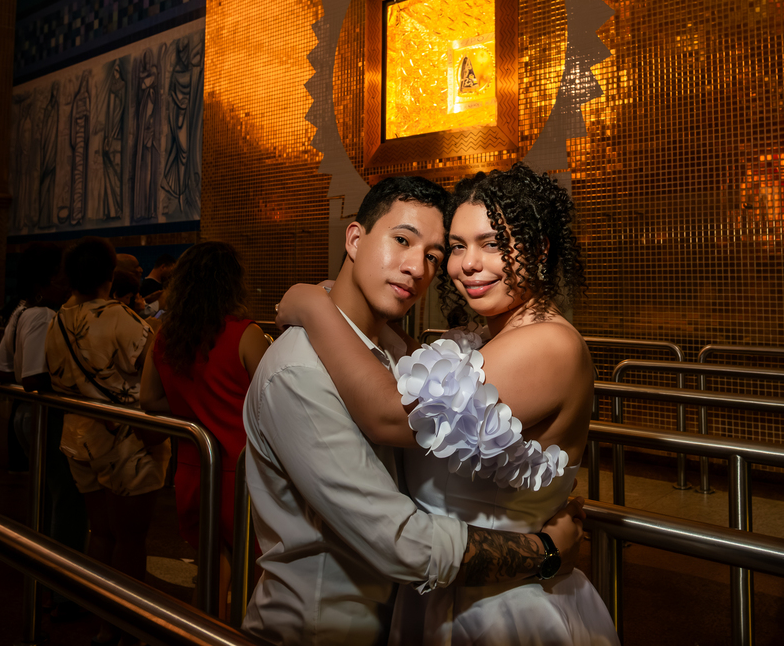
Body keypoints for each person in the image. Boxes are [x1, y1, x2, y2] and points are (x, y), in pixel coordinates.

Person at [276, 163, 617, 645]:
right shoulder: (485, 339)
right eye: (456, 247)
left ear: (540, 250)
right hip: (444, 595)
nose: (466, 265)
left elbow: (390, 415)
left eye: (492, 243)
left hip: (502, 609)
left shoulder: (548, 345)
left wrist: (313, 306)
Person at [45, 237, 168, 646]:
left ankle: (103, 624)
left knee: (101, 532)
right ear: (109, 272)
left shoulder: (59, 318)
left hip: (79, 436)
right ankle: (127, 625)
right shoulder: (120, 318)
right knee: (130, 537)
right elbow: (152, 367)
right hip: (126, 442)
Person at [140, 241, 267, 617]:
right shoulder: (247, 334)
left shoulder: (164, 336)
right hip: (244, 475)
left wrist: (194, 409)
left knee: (213, 570)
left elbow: (149, 400)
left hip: (195, 471)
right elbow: (276, 402)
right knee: (256, 578)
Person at [0, 242, 85, 623]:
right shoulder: (43, 315)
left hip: (27, 418)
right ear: (51, 278)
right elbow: (32, 377)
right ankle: (64, 590)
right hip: (46, 417)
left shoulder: (22, 309)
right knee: (67, 501)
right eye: (64, 273)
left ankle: (48, 578)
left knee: (50, 498)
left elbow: (0, 370)